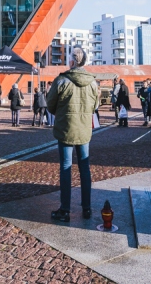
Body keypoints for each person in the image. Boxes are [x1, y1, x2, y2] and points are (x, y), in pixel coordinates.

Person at [47, 47, 98, 223]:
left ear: (72, 61)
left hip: (66, 128)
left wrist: (62, 112)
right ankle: (87, 207)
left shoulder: (62, 80)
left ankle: (65, 209)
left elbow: (50, 105)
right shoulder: (92, 82)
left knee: (66, 167)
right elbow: (95, 106)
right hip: (84, 129)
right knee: (85, 167)